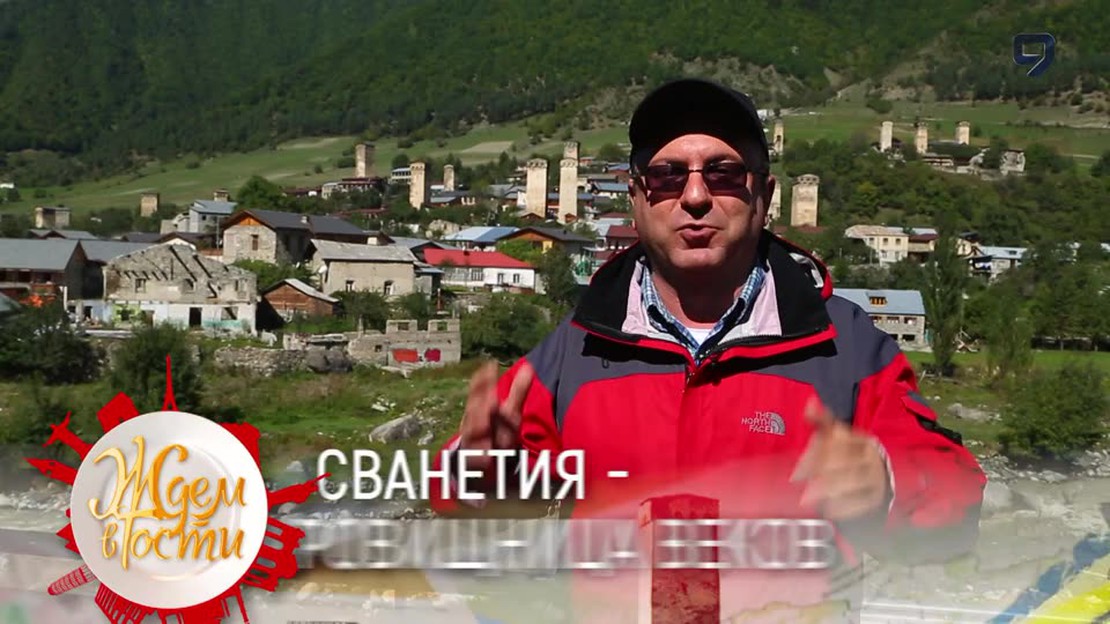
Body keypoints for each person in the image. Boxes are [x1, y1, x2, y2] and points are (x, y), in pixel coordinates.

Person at [431, 78, 987, 622]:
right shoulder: (577, 345)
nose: (695, 196)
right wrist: (475, 473)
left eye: (723, 173)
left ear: (764, 195)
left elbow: (957, 499)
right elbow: (459, 491)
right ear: (637, 198)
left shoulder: (845, 345)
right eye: (667, 176)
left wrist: (886, 488)